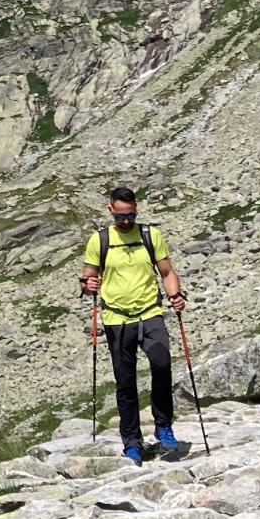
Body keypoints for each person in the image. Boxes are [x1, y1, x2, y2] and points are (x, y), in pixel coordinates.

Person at [79, 186, 187, 463]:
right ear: (111, 211)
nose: (126, 222)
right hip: (116, 318)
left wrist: (175, 295)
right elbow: (88, 277)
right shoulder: (99, 240)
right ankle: (132, 442)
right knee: (125, 382)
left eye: (131, 216)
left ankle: (164, 427)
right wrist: (88, 284)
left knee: (162, 364)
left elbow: (166, 271)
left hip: (150, 312)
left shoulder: (150, 235)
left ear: (136, 209)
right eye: (121, 217)